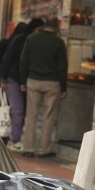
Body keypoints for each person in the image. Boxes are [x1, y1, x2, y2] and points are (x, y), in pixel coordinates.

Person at [19, 17, 67, 158]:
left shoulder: (32, 39)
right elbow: (62, 67)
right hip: (52, 83)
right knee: (48, 117)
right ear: (56, 28)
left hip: (33, 81)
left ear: (44, 26)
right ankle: (43, 150)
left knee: (31, 116)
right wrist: (64, 88)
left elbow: (24, 61)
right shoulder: (59, 43)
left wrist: (23, 81)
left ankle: (28, 148)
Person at [0, 20, 39, 150]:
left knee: (21, 112)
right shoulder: (20, 40)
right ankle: (15, 140)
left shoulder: (32, 41)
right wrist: (3, 79)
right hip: (14, 80)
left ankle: (16, 138)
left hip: (25, 81)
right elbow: (8, 58)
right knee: (18, 111)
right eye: (38, 30)